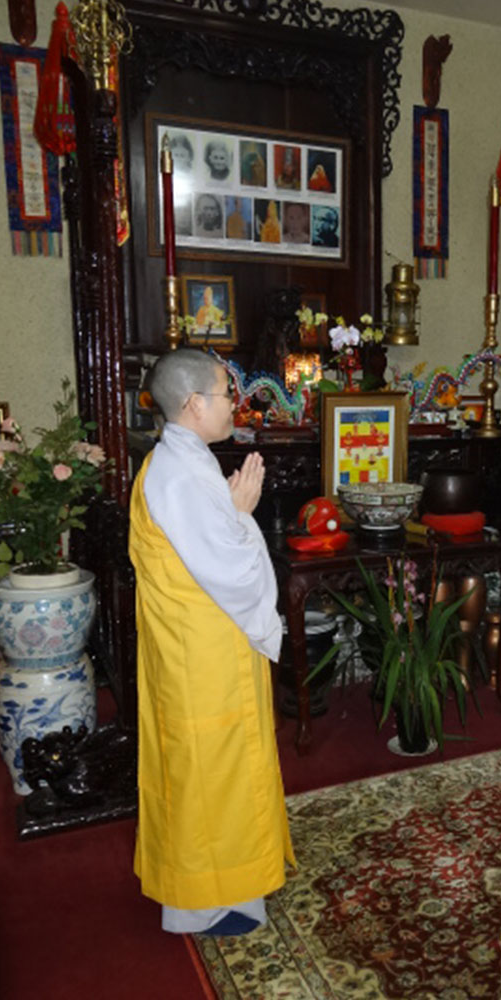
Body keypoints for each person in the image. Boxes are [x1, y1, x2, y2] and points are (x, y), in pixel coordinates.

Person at [128, 350, 295, 936]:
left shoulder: (182, 460)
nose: (234, 404)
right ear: (195, 404)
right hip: (200, 654)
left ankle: (230, 883)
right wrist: (242, 514)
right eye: (227, 393)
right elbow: (230, 571)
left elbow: (202, 546)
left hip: (202, 645)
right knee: (209, 769)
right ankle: (207, 898)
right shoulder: (179, 474)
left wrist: (228, 510)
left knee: (215, 766)